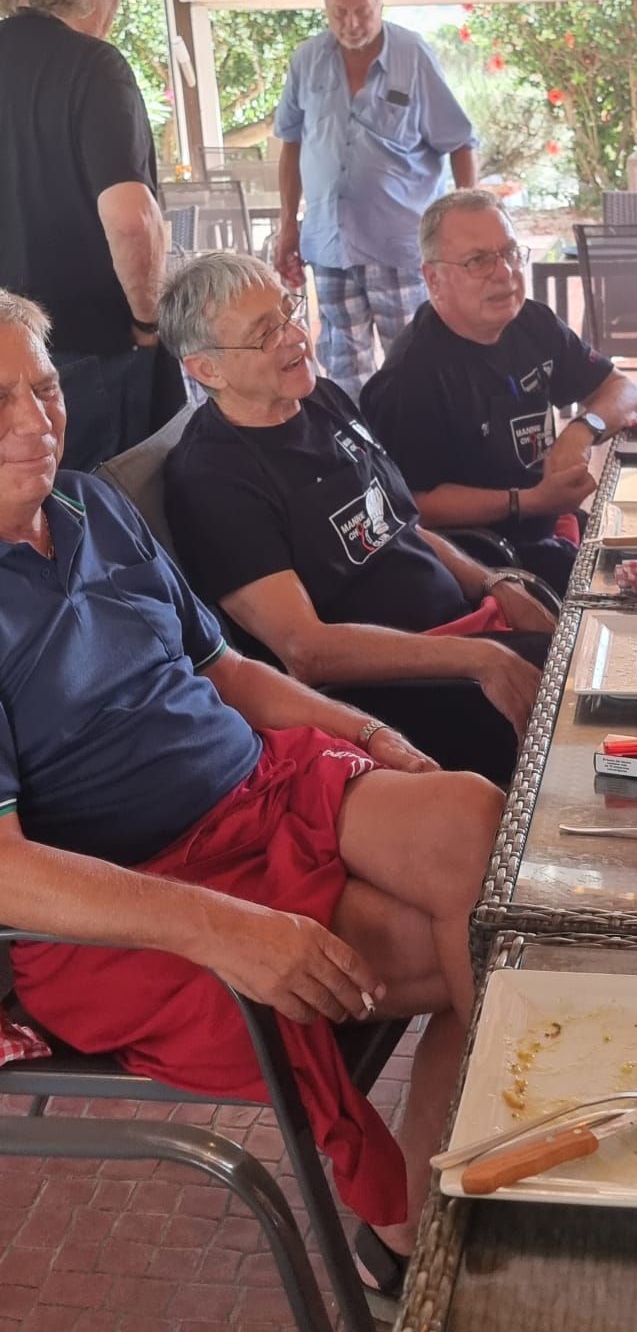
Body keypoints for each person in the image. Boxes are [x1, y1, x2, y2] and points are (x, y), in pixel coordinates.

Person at [0, 287, 502, 1308]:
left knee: (473, 822)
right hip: (131, 895)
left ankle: (455, 1201)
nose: (36, 420)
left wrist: (366, 733)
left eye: (44, 388)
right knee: (458, 945)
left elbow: (224, 668)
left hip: (259, 788)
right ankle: (428, 1229)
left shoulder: (90, 504)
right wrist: (223, 928)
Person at [162, 253, 553, 786]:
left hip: (464, 638)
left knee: (586, 639)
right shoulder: (213, 477)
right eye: (265, 333)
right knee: (586, 690)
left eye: (289, 311)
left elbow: (403, 526)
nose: (295, 336)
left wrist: (494, 583)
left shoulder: (322, 398)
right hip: (395, 697)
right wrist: (478, 658)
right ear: (207, 369)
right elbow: (307, 651)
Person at [361, 189, 637, 594]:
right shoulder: (410, 376)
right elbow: (409, 506)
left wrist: (583, 430)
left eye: (510, 252)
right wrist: (529, 501)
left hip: (549, 525)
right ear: (433, 278)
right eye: (478, 261)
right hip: (483, 561)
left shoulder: (532, 322)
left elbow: (624, 389)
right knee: (634, 594)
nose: (504, 272)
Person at [0, 0, 184, 471]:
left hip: (7, 359)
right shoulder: (95, 67)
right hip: (84, 354)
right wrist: (147, 322)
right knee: (105, 510)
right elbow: (131, 219)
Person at [273, 0, 477, 402]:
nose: (351, 23)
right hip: (330, 245)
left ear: (381, 4)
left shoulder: (413, 55)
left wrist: (468, 228)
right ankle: (358, 443)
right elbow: (291, 143)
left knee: (415, 365)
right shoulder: (307, 60)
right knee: (342, 368)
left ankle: (416, 444)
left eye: (362, 11)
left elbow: (460, 142)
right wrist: (288, 224)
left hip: (400, 245)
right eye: (339, 13)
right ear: (325, 9)